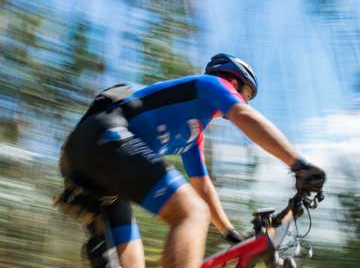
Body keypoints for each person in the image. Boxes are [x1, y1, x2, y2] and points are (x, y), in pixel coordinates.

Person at [55, 53, 326, 268]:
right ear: (235, 81)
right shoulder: (211, 85)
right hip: (105, 136)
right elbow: (245, 117)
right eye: (246, 95)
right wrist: (299, 165)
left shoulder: (193, 133)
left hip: (93, 162)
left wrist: (230, 232)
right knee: (192, 213)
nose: (245, 102)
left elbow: (203, 187)